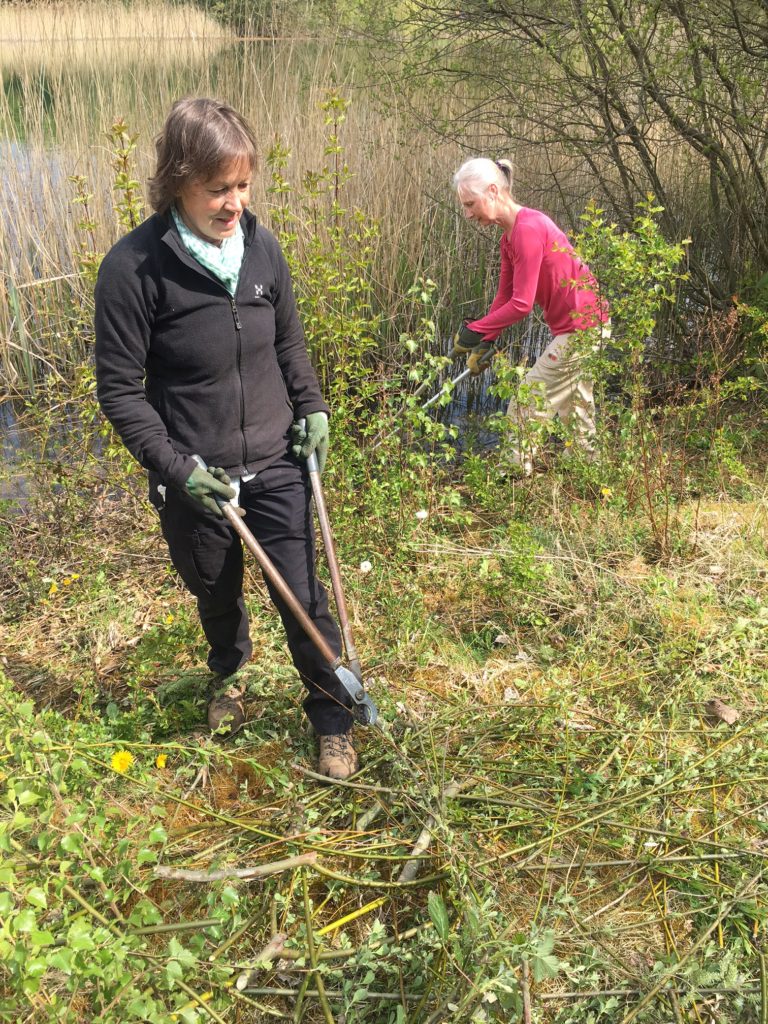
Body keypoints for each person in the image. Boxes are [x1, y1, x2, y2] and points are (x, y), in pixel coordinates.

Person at [94, 97, 358, 780]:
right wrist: (179, 471)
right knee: (215, 593)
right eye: (218, 188)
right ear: (177, 180)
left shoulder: (262, 248)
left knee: (304, 599)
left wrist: (314, 407)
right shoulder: (134, 269)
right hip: (196, 475)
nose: (234, 202)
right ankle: (230, 674)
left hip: (275, 461)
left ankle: (332, 715)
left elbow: (291, 346)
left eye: (242, 185)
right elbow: (120, 392)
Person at [451, 158, 609, 474]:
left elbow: (522, 305)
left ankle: (511, 475)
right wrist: (486, 340)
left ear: (493, 191)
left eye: (471, 204)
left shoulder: (527, 229)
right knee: (575, 408)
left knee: (527, 401)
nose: (468, 214)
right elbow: (504, 298)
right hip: (585, 326)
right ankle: (589, 471)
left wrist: (473, 330)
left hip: (584, 328)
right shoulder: (509, 238)